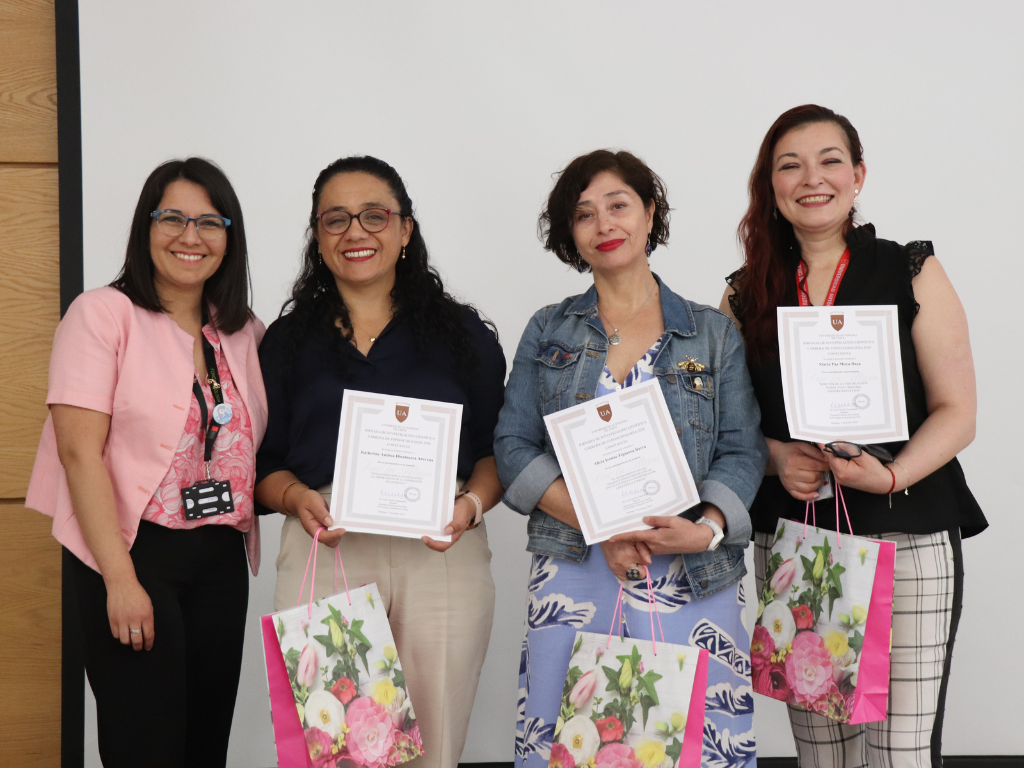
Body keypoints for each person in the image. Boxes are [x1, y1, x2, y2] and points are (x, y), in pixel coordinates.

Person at [720, 104, 987, 768]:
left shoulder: (911, 270)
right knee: (824, 759)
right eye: (790, 165)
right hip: (798, 542)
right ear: (770, 187)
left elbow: (959, 412)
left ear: (859, 173)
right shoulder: (742, 295)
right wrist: (776, 457)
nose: (812, 178)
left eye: (830, 160)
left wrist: (890, 474)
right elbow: (726, 425)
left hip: (910, 535)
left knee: (899, 753)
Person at [495, 149, 767, 767]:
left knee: (694, 744)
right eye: (584, 214)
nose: (604, 224)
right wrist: (604, 524)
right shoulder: (548, 330)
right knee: (570, 737)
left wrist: (706, 530)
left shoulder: (711, 331)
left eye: (618, 205)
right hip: (575, 564)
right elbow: (513, 448)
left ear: (650, 213)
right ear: (571, 233)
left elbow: (741, 450)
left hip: (691, 569)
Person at [254, 155, 506, 768]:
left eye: (375, 215)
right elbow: (265, 466)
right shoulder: (286, 342)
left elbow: (498, 453)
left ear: (405, 229)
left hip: (439, 551)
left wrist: (469, 506)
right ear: (318, 236)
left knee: (435, 746)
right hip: (328, 545)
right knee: (337, 750)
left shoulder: (461, 333)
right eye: (335, 219)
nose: (356, 232)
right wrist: (295, 499)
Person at [25, 158, 267, 767]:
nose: (192, 236)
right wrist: (120, 579)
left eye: (210, 222)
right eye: (174, 218)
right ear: (146, 226)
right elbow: (79, 453)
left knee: (203, 745)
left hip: (219, 559)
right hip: (132, 552)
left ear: (229, 238)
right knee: (145, 748)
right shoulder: (101, 314)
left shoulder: (243, 332)